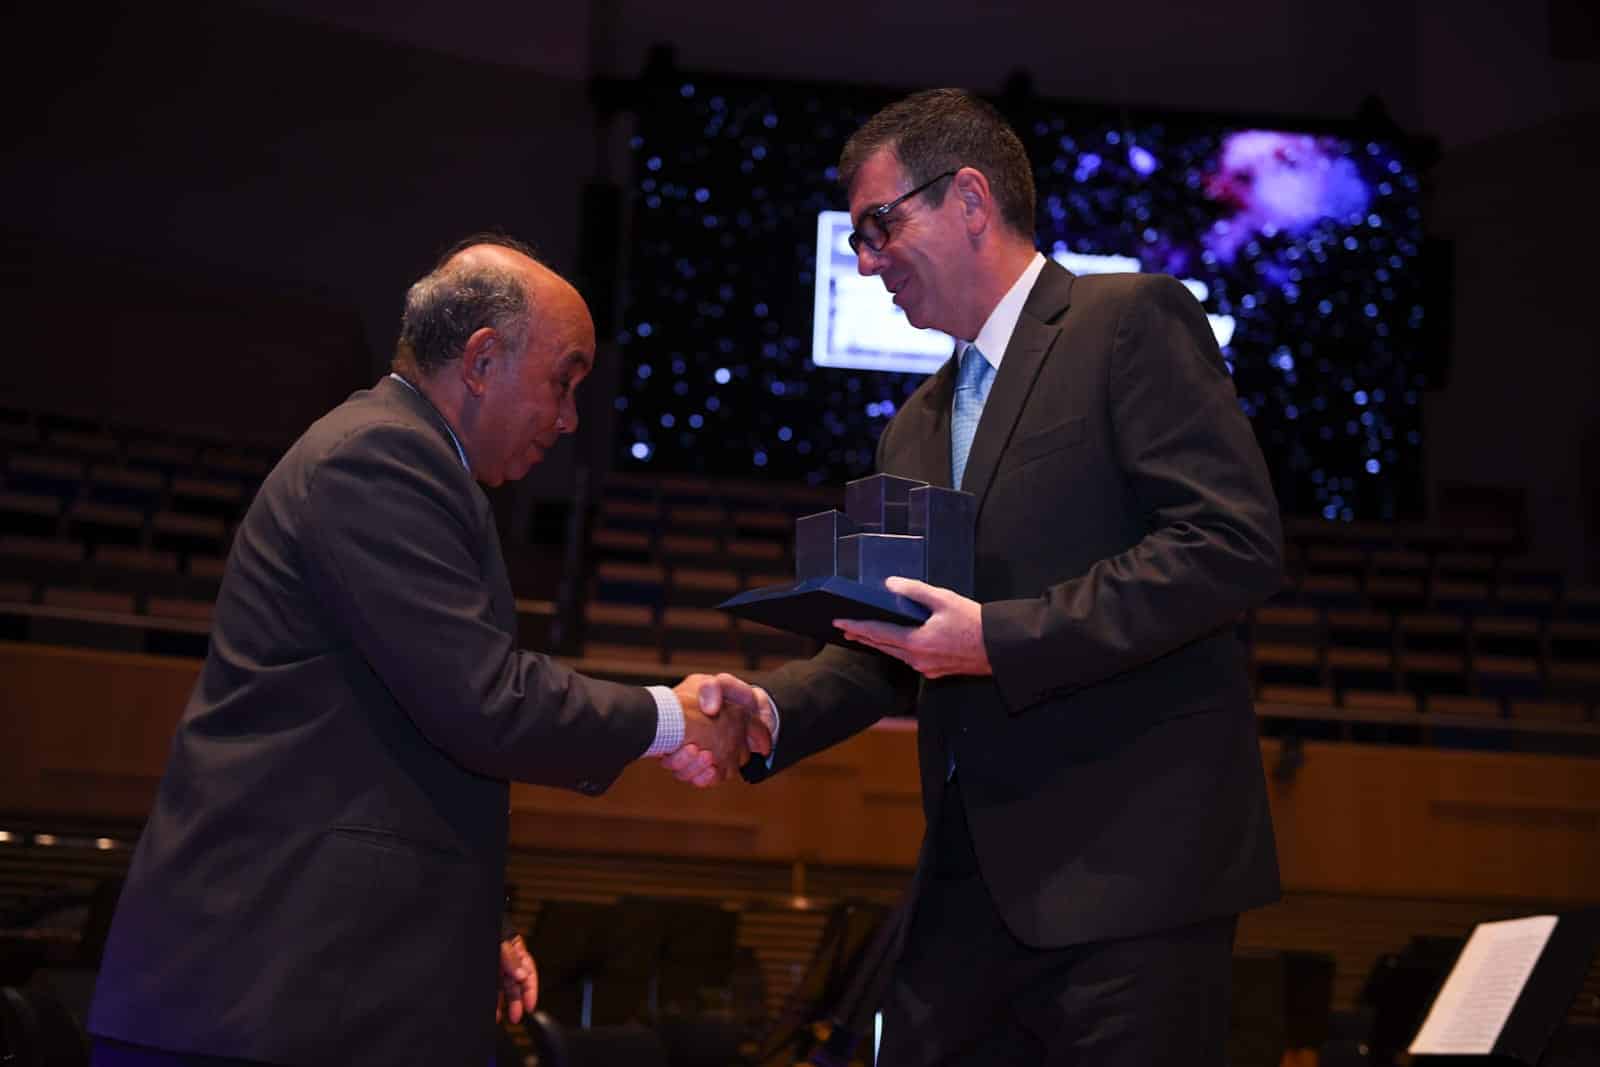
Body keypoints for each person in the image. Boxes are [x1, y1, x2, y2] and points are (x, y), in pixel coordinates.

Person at [665, 89, 1284, 1065]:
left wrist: (997, 638)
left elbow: (1228, 541)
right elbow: (885, 645)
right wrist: (768, 709)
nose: (865, 262)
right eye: (857, 238)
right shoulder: (911, 426)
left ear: (967, 198)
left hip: (1134, 889)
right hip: (965, 895)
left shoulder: (1127, 320)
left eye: (878, 226)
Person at [87, 235, 768, 1067]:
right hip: (260, 995)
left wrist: (477, 926)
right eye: (563, 382)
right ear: (481, 361)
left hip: (293, 992)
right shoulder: (379, 456)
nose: (568, 419)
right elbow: (484, 702)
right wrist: (672, 716)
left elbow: (398, 745)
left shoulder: (404, 458)